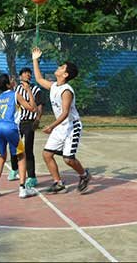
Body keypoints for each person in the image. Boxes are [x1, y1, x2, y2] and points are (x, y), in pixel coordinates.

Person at [31, 47, 91, 194]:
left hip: (72, 126)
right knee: (47, 154)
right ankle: (58, 183)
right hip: (60, 126)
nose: (58, 68)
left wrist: (51, 126)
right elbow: (38, 79)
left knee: (68, 159)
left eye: (61, 67)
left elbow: (65, 113)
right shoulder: (54, 86)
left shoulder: (66, 91)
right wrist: (35, 59)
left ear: (65, 74)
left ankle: (84, 175)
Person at [0, 74, 37, 199]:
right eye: (11, 79)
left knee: (2, 156)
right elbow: (32, 108)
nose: (13, 80)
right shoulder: (15, 94)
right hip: (10, 127)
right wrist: (29, 91)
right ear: (8, 84)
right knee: (21, 156)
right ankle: (22, 189)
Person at [7, 67, 44, 187]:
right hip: (17, 123)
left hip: (29, 122)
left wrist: (38, 119)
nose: (27, 75)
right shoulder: (16, 89)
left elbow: (39, 106)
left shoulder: (35, 89)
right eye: (25, 73)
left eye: (29, 73)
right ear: (20, 76)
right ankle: (14, 169)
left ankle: (32, 177)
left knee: (28, 150)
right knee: (14, 147)